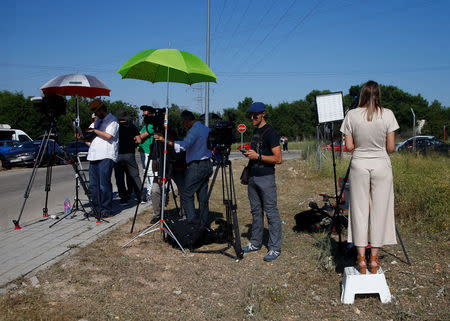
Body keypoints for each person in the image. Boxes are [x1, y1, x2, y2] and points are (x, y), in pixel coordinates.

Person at [340, 80, 399, 274]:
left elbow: (348, 147)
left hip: (360, 163)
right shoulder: (388, 114)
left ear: (362, 94)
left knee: (358, 210)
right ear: (378, 95)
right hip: (381, 164)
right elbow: (390, 148)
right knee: (380, 210)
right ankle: (374, 259)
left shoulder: (352, 115)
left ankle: (360, 259)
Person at [154, 110, 212, 227]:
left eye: (184, 123)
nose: (184, 126)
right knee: (202, 196)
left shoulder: (194, 130)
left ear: (187, 121)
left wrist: (164, 140)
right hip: (207, 164)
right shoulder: (206, 128)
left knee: (186, 194)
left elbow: (183, 146)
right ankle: (204, 222)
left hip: (196, 165)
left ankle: (191, 222)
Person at [242, 102, 283, 262]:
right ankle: (255, 243)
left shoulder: (271, 132)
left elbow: (278, 159)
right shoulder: (255, 131)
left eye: (255, 115)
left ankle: (274, 248)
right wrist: (249, 155)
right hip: (253, 176)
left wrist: (258, 157)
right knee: (255, 211)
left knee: (271, 212)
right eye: (250, 115)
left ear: (263, 114)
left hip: (266, 177)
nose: (252, 118)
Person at [83, 99, 119, 218]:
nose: (95, 114)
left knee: (104, 184)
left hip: (106, 155)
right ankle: (96, 208)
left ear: (102, 110)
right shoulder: (96, 122)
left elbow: (108, 136)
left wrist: (94, 130)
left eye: (96, 111)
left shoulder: (112, 120)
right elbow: (90, 138)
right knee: (94, 185)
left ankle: (106, 209)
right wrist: (81, 137)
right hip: (94, 155)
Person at [113, 109, 142, 205]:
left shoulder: (115, 127)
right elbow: (139, 140)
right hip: (130, 154)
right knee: (135, 176)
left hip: (117, 155)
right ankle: (141, 196)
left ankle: (124, 198)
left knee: (119, 178)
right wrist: (132, 140)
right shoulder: (132, 126)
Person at [136, 105, 155, 203]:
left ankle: (151, 192)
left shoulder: (151, 125)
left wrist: (135, 137)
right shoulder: (144, 126)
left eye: (145, 115)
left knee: (150, 172)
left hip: (149, 152)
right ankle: (149, 191)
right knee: (146, 172)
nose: (144, 117)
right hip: (143, 152)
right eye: (143, 115)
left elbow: (141, 136)